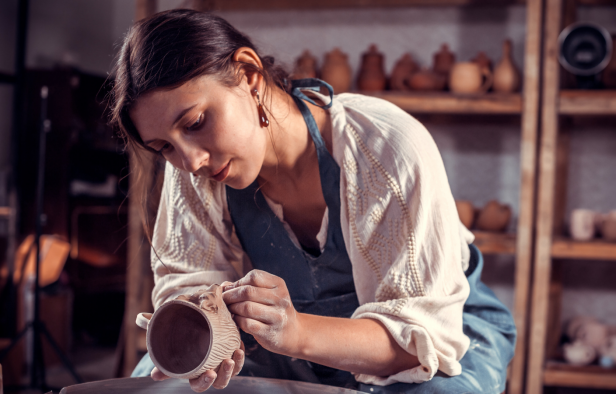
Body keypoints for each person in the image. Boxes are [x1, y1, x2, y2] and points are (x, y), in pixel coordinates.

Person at [110, 9, 515, 394]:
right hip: (281, 346)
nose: (190, 160)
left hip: (429, 339)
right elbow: (193, 287)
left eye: (196, 123)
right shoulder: (193, 172)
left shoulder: (383, 145)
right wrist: (207, 338)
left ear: (248, 74)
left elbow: (420, 342)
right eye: (163, 147)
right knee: (156, 384)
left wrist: (297, 332)